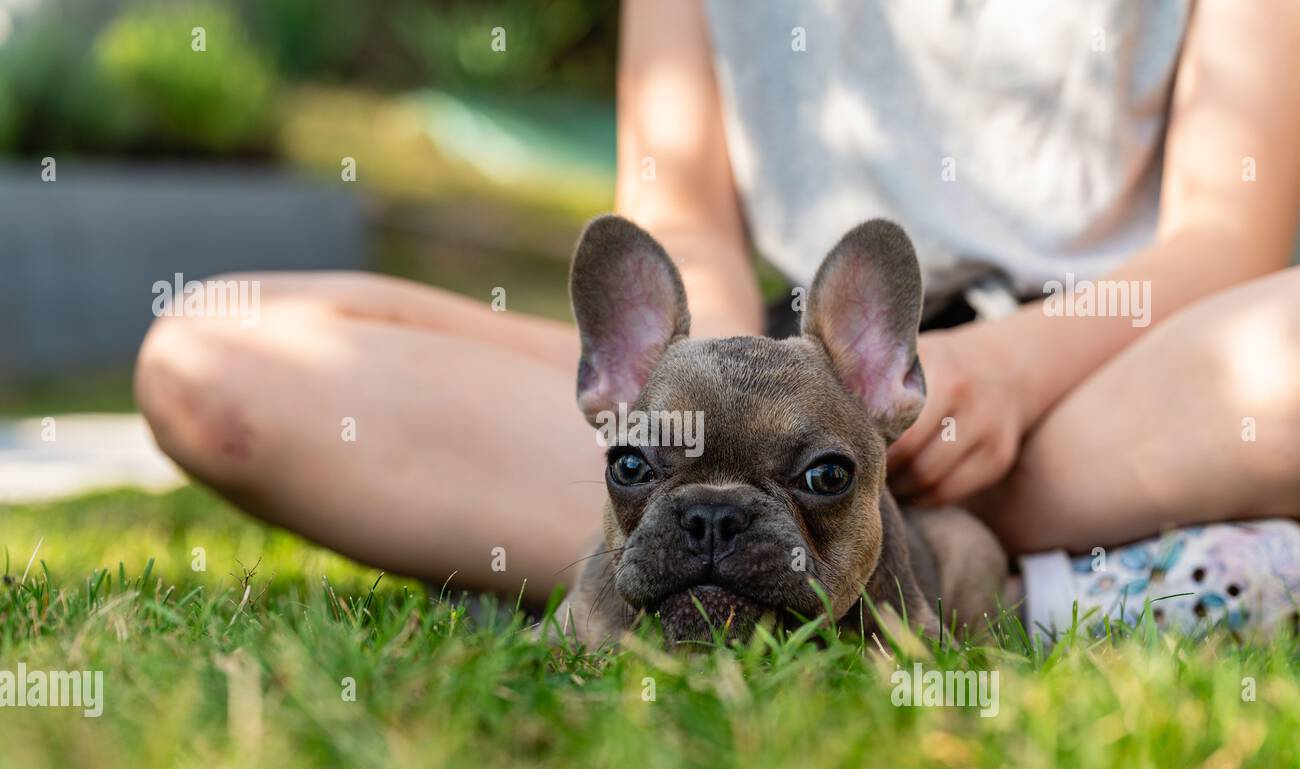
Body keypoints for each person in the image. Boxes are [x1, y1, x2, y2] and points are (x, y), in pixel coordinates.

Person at [134, 0, 1300, 633]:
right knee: (213, 356)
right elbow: (674, 202)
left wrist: (1004, 371)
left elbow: (1223, 239)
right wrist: (713, 394)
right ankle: (899, 541)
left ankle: (971, 564)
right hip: (782, 375)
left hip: (1107, 372)